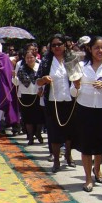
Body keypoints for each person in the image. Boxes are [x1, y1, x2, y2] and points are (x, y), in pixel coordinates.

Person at [71, 36, 102, 192]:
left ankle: (97, 169)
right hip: (85, 109)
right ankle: (88, 178)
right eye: (97, 48)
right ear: (90, 49)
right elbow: (73, 92)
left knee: (100, 145)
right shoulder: (80, 66)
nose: (100, 51)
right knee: (86, 145)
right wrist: (76, 86)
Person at [36, 34, 77, 173]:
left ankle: (69, 155)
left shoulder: (71, 60)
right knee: (54, 130)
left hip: (69, 99)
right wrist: (44, 80)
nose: (57, 47)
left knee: (70, 129)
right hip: (53, 101)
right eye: (53, 45)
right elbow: (38, 81)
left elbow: (78, 78)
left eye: (59, 44)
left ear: (65, 45)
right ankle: (56, 160)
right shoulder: (46, 61)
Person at [15, 50, 44, 145]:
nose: (29, 59)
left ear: (35, 58)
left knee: (40, 117)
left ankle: (38, 133)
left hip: (38, 95)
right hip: (26, 95)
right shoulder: (21, 68)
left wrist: (42, 89)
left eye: (31, 57)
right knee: (28, 118)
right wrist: (14, 77)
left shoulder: (40, 67)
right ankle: (30, 137)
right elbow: (16, 83)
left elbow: (43, 80)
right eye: (27, 58)